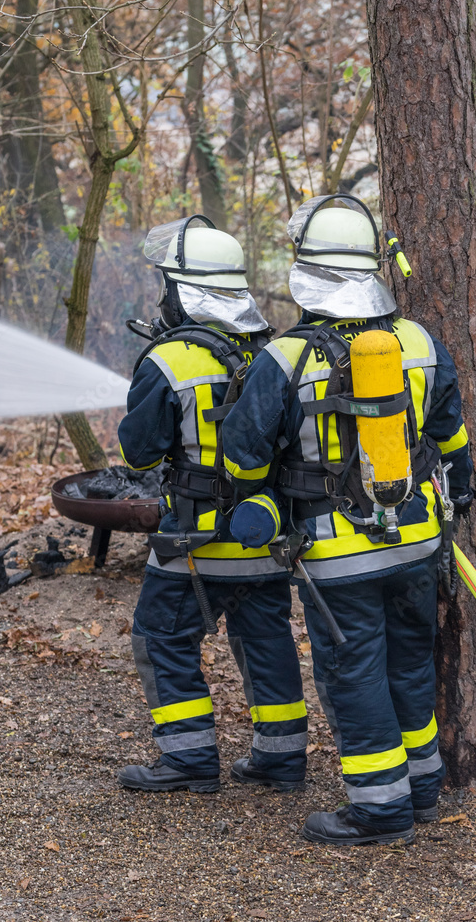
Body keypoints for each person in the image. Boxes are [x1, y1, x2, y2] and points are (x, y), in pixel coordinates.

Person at [221, 195, 475, 844]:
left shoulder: (282, 359)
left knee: (354, 674)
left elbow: (243, 461)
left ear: (307, 275)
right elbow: (451, 443)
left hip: (337, 559)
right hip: (419, 543)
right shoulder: (418, 343)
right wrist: (459, 497)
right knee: (410, 668)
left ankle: (378, 810)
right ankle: (420, 792)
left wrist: (269, 490)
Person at [117, 215, 307, 794]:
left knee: (160, 636)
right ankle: (280, 760)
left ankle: (188, 758)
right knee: (266, 640)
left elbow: (142, 457)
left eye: (165, 286)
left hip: (195, 543)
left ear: (182, 291)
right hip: (266, 534)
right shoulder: (275, 351)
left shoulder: (168, 361)